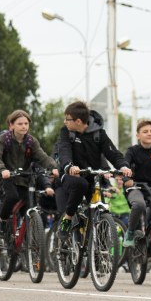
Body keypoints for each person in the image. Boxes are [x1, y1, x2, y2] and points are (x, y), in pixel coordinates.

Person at [53, 102, 127, 239]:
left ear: (78, 121)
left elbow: (112, 153)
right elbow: (64, 150)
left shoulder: (99, 133)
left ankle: (100, 253)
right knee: (80, 184)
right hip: (71, 174)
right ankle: (67, 220)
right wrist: (69, 166)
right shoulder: (66, 132)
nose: (65, 121)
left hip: (92, 177)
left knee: (101, 210)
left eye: (67, 119)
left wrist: (123, 166)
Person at [0, 110, 58, 242]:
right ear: (12, 125)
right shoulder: (4, 140)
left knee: (29, 206)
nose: (23, 126)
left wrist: (53, 167)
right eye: (20, 123)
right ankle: (1, 221)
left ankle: (27, 242)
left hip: (25, 179)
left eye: (26, 123)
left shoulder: (31, 141)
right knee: (12, 196)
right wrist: (2, 169)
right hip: (7, 177)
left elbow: (42, 156)